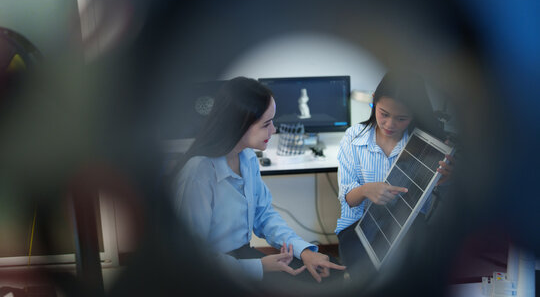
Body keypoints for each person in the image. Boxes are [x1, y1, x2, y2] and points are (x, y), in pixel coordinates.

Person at [172, 77, 345, 285]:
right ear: (238, 125)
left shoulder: (247, 158)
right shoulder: (198, 173)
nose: (274, 130)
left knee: (327, 270)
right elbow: (192, 260)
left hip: (243, 256)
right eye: (266, 124)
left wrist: (304, 251)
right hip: (211, 273)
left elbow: (264, 216)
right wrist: (260, 267)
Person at [335, 71, 454, 282]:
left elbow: (441, 200)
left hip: (406, 226)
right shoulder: (353, 137)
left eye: (401, 118)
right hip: (358, 227)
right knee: (369, 281)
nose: (390, 124)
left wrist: (443, 180)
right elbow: (348, 198)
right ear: (373, 102)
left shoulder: (426, 145)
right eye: (384, 113)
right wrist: (365, 190)